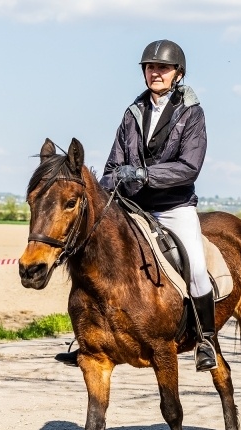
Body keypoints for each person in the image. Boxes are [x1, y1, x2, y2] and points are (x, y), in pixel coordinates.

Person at [56, 39, 217, 372]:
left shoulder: (191, 114)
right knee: (94, 254)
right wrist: (107, 189)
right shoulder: (132, 114)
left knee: (197, 271)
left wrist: (144, 174)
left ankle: (207, 341)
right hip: (133, 206)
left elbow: (190, 166)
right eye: (150, 67)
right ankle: (89, 339)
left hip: (174, 206)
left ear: (178, 73)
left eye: (162, 68)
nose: (155, 73)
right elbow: (114, 164)